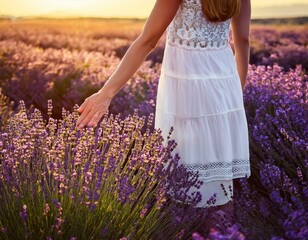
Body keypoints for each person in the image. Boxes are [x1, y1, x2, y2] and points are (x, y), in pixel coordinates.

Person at [77, 0, 251, 227]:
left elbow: (148, 40)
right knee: (218, 175)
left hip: (187, 88)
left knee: (185, 164)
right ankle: (222, 230)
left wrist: (106, 93)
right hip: (225, 85)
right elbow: (243, 42)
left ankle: (186, 228)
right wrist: (237, 92)